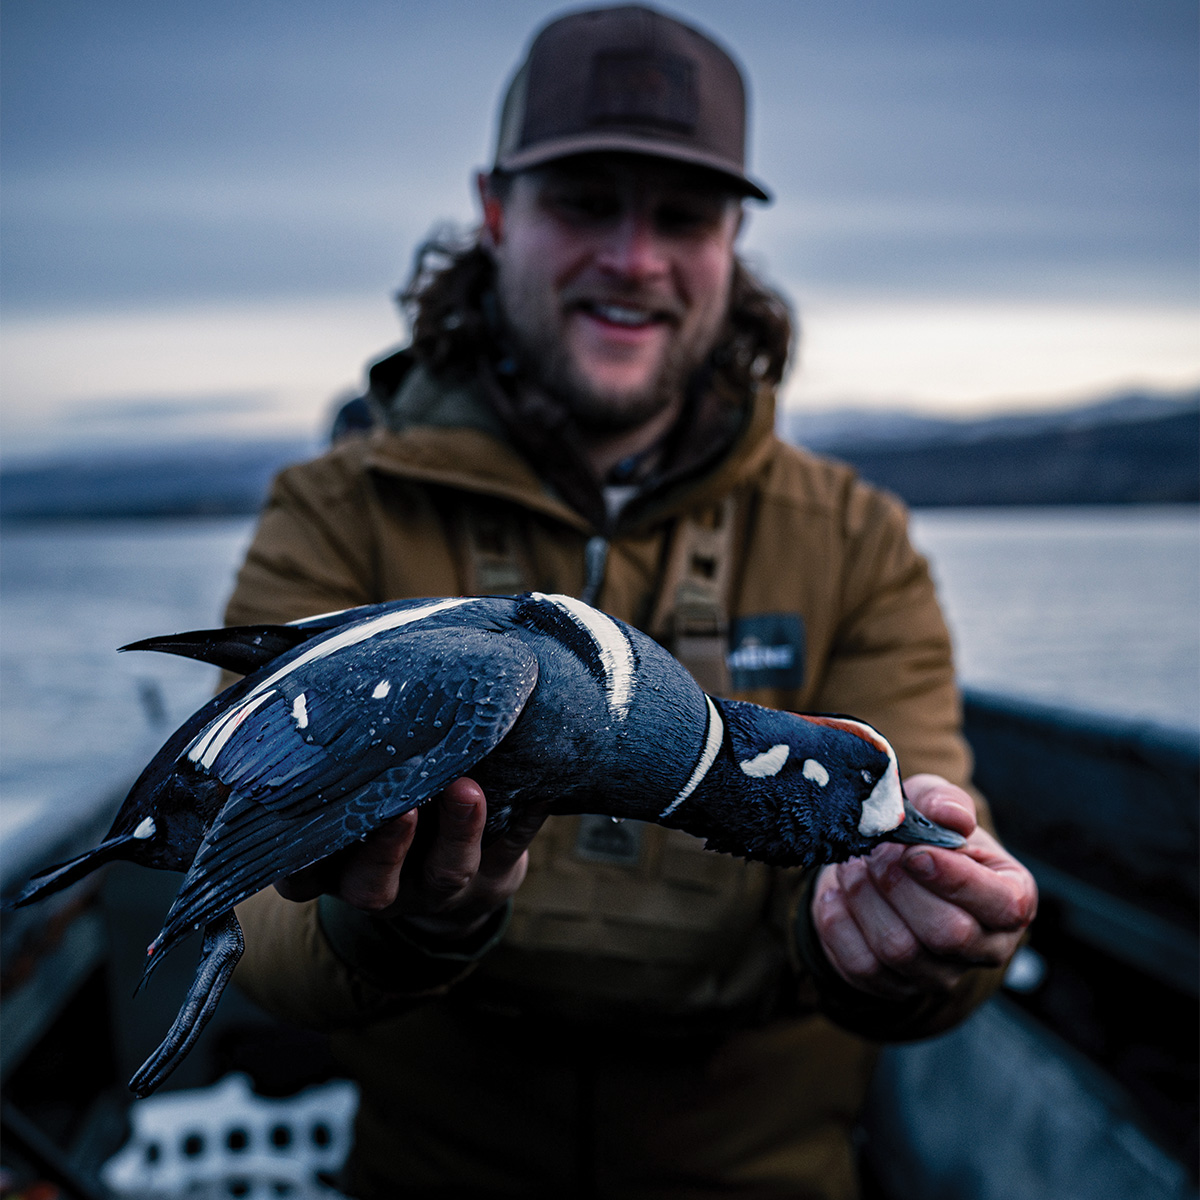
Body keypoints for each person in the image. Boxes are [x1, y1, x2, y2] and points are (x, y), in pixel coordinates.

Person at [228, 6, 1037, 1197]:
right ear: (497, 212)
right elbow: (254, 926)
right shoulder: (340, 512)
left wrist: (917, 940)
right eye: (585, 202)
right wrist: (407, 917)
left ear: (734, 243)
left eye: (682, 215)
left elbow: (941, 896)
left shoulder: (857, 543)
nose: (635, 257)